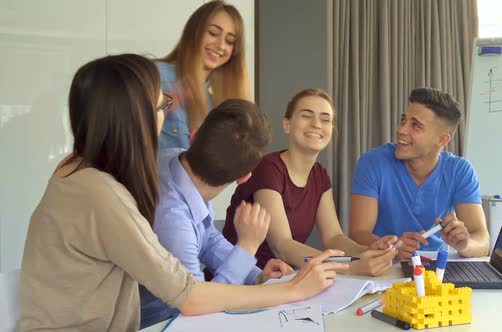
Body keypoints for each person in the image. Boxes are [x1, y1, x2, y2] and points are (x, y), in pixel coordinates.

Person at [18, 54, 348, 332]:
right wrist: (291, 289)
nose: (166, 114)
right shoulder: (104, 196)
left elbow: (203, 237)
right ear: (136, 121)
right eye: (162, 104)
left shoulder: (80, 167)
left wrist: (257, 274)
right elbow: (190, 299)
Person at [140, 99, 295, 328]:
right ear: (244, 178)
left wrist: (256, 275)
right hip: (158, 324)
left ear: (194, 137)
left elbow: (207, 239)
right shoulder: (174, 221)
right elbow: (200, 308)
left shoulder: (171, 157)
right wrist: (247, 247)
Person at [222, 88, 399, 277]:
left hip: (280, 280)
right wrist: (351, 267)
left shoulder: (320, 175)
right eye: (307, 116)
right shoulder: (268, 168)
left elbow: (334, 238)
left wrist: (367, 251)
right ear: (287, 124)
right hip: (239, 280)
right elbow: (282, 245)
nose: (316, 124)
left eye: (325, 119)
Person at [348, 87, 490, 259]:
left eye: (415, 125)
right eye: (403, 120)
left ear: (442, 140)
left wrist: (465, 244)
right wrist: (392, 248)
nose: (401, 130)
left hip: (435, 270)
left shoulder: (460, 171)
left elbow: (482, 242)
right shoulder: (372, 163)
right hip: (383, 265)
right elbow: (358, 233)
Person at [157, 0, 250, 149]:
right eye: (213, 33)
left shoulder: (217, 105)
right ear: (194, 31)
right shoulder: (155, 75)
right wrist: (159, 107)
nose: (220, 46)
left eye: (230, 41)